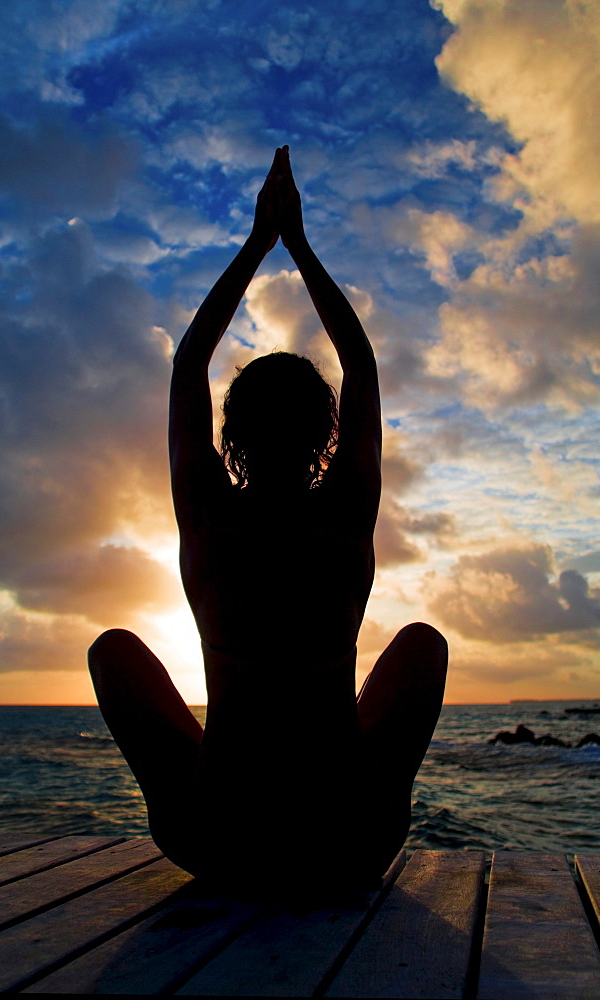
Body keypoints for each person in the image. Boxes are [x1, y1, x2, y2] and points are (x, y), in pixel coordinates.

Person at [89, 147, 448, 892]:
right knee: (422, 645)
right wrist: (301, 249)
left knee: (112, 650)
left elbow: (189, 365)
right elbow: (362, 367)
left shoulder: (208, 514)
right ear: (326, 436)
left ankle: (233, 799)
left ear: (231, 436)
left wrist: (257, 242)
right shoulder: (345, 513)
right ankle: (365, 795)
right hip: (347, 842)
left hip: (215, 839)